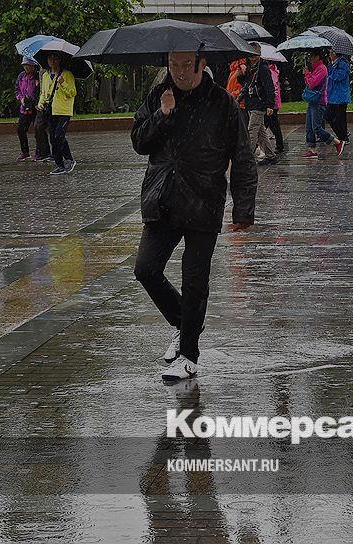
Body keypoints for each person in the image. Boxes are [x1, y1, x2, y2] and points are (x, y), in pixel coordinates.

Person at [131, 51, 258, 381]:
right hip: (164, 198)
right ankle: (184, 322)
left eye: (187, 64)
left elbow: (242, 157)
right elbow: (139, 142)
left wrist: (243, 209)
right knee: (146, 269)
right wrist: (162, 114)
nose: (180, 71)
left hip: (204, 200)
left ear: (202, 64)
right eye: (174, 64)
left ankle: (188, 356)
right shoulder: (159, 96)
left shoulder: (222, 103)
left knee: (194, 279)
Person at [38, 53, 77, 175]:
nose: (53, 61)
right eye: (50, 58)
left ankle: (69, 159)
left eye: (55, 58)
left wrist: (63, 83)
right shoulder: (45, 75)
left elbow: (72, 92)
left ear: (59, 60)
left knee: (59, 135)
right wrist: (41, 103)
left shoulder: (67, 74)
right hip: (50, 111)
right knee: (53, 138)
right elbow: (44, 93)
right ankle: (59, 164)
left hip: (63, 111)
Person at [239, 43, 278, 166]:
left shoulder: (263, 69)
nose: (253, 58)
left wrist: (270, 104)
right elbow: (246, 85)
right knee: (261, 132)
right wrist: (241, 75)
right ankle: (271, 156)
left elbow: (269, 87)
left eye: (255, 55)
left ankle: (247, 158)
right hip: (251, 102)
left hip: (259, 103)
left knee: (252, 129)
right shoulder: (250, 68)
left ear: (259, 54)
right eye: (251, 55)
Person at [302, 50, 345, 159]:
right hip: (312, 101)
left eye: (312, 56)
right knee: (309, 127)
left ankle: (337, 142)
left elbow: (312, 83)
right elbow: (309, 83)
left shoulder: (322, 68)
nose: (310, 59)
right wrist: (307, 74)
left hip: (319, 102)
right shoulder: (315, 69)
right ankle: (312, 150)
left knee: (316, 128)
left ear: (318, 57)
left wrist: (307, 74)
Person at [15, 58, 42, 161]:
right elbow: (17, 90)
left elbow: (42, 91)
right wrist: (21, 99)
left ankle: (39, 152)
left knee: (38, 130)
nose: (26, 67)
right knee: (20, 130)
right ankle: (25, 152)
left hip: (36, 107)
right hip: (24, 108)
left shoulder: (38, 76)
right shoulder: (21, 76)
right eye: (24, 65)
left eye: (29, 65)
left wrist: (38, 86)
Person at [326, 50, 351, 144]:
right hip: (333, 96)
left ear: (334, 54)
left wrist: (332, 69)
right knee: (332, 116)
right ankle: (343, 135)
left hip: (340, 96)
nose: (329, 54)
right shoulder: (333, 64)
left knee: (338, 117)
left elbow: (338, 77)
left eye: (331, 52)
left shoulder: (342, 64)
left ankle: (343, 137)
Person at [266, 61, 284, 153]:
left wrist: (271, 102)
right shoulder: (272, 70)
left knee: (270, 125)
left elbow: (274, 87)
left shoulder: (270, 71)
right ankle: (279, 145)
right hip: (273, 102)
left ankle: (279, 146)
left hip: (272, 103)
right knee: (273, 125)